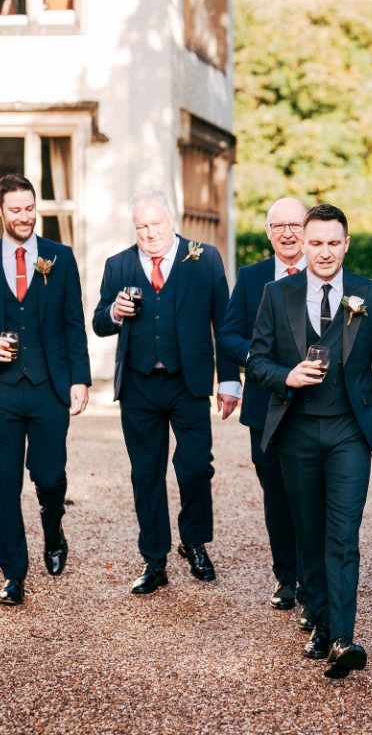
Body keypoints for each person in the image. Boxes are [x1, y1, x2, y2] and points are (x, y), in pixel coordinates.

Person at [246, 203, 372, 678]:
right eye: (316, 243)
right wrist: (285, 375)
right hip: (295, 432)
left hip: (349, 433)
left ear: (347, 244)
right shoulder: (278, 293)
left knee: (343, 535)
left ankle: (343, 637)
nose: (325, 252)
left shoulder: (369, 294)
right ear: (304, 243)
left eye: (334, 243)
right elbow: (255, 360)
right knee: (309, 534)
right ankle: (317, 618)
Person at [93, 191, 239, 595]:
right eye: (141, 226)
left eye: (156, 224)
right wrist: (114, 313)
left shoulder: (204, 257)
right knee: (146, 474)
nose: (149, 233)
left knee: (195, 466)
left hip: (187, 382)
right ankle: (153, 560)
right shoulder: (118, 264)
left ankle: (193, 541)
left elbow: (223, 323)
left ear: (171, 219)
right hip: (139, 385)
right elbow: (99, 322)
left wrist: (229, 381)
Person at [0, 174, 90, 606]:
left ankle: (53, 530)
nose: (24, 216)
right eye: (15, 209)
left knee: (50, 477)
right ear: (1, 211)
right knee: (2, 484)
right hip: (2, 392)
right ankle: (13, 573)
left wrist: (80, 379)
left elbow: (74, 322)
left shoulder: (60, 257)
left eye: (29, 208)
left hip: (49, 386)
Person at [218, 197, 309, 622]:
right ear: (268, 231)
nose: (288, 233)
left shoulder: (323, 271)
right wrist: (259, 357)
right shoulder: (252, 277)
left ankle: (314, 578)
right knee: (276, 493)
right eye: (279, 225)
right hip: (265, 406)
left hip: (316, 405)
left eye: (296, 224)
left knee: (310, 493)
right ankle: (286, 577)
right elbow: (229, 334)